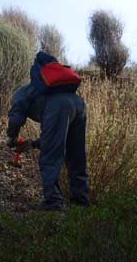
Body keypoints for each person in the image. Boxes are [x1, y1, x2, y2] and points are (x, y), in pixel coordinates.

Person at [6, 52, 90, 211]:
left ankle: (53, 202)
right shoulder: (54, 89)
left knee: (50, 158)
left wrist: (11, 137)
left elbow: (15, 119)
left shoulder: (22, 93)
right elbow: (56, 137)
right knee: (76, 155)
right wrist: (32, 144)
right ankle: (81, 202)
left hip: (58, 108)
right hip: (78, 104)